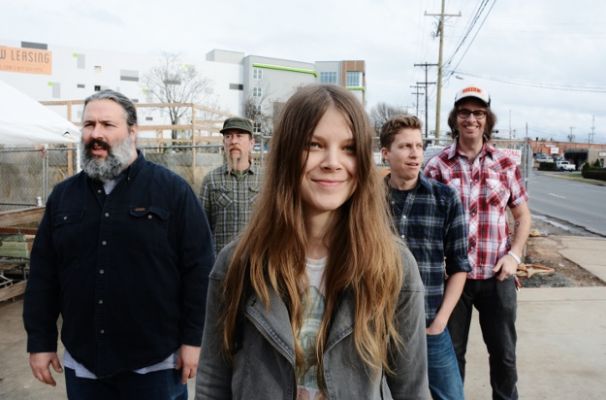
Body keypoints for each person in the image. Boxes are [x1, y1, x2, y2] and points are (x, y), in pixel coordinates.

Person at [195, 84, 429, 399]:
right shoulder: (237, 263)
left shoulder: (393, 266)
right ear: (287, 153)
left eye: (348, 147)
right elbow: (212, 382)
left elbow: (412, 390)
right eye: (314, 144)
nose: (333, 161)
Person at [23, 89, 215, 399]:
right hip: (85, 366)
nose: (95, 134)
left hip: (154, 367)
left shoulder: (172, 192)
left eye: (107, 125)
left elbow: (200, 270)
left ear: (132, 132)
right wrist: (40, 341)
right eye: (89, 125)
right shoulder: (63, 197)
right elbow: (44, 274)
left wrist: (194, 340)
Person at [424, 86, 532, 400]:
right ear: (455, 119)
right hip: (453, 280)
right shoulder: (438, 167)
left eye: (478, 113)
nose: (471, 119)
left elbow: (523, 216)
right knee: (451, 356)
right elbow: (430, 222)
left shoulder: (505, 164)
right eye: (465, 112)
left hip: (497, 277)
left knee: (504, 356)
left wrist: (514, 255)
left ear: (487, 119)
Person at [380, 115, 470, 400]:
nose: (415, 153)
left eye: (419, 145)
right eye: (406, 146)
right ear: (386, 153)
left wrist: (441, 321)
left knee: (452, 395)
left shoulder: (445, 199)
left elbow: (459, 266)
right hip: (379, 328)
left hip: (429, 326)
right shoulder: (367, 201)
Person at [200, 116, 262, 254]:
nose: (233, 141)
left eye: (239, 136)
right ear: (224, 142)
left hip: (256, 264)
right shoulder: (211, 181)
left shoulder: (266, 181)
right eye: (228, 136)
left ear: (251, 143)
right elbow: (200, 230)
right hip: (221, 268)